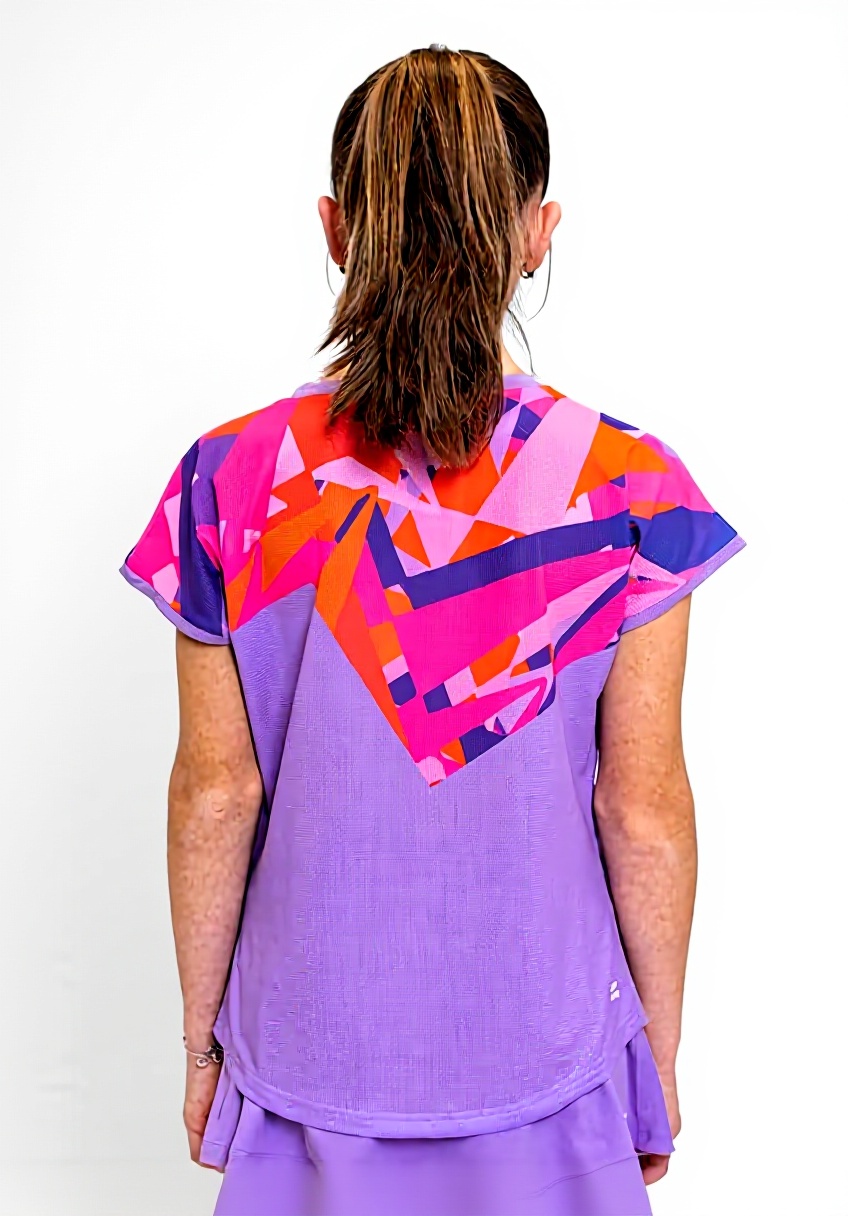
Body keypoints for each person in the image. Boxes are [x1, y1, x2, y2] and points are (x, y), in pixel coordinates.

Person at [121, 46, 744, 1216]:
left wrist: (204, 1044)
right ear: (536, 233)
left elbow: (215, 793)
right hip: (550, 1066)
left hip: (309, 1063)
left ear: (336, 229)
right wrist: (653, 1059)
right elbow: (641, 805)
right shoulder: (628, 488)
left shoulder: (229, 480)